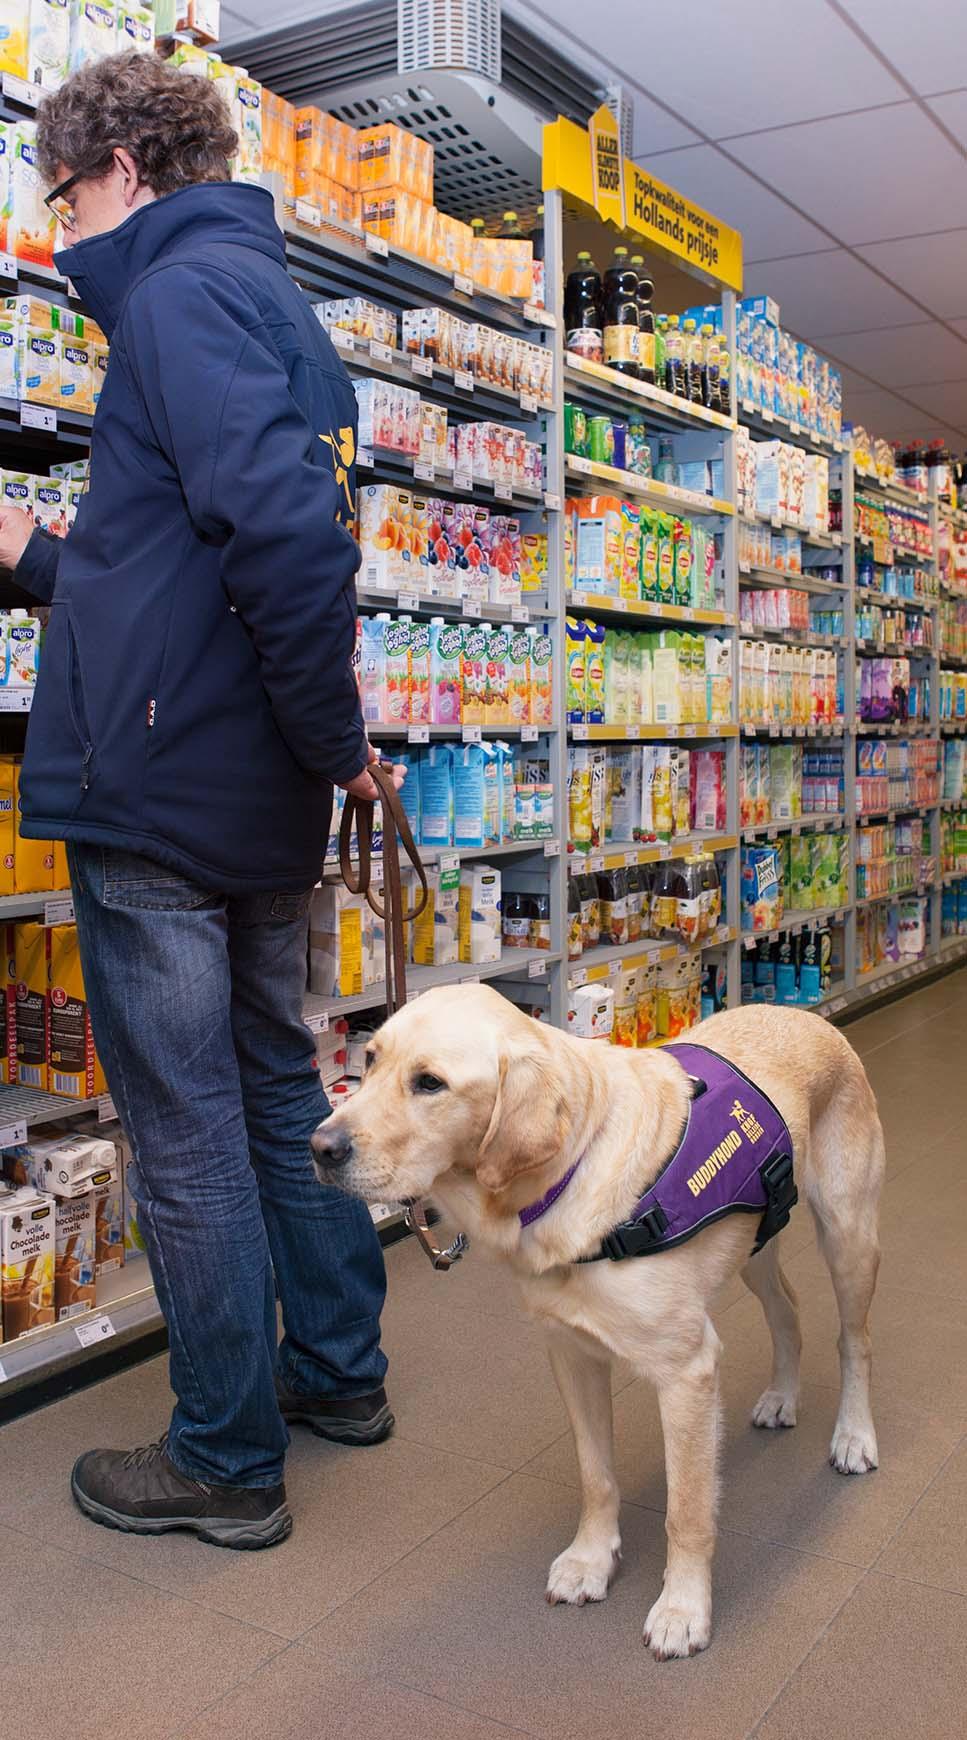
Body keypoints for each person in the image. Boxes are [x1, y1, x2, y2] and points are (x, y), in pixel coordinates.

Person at [0, 51, 400, 1551]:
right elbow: (182, 571)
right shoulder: (274, 306)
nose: (58, 230)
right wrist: (42, 554)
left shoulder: (174, 298)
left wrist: (328, 731)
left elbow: (289, 547)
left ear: (125, 171)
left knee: (185, 1134)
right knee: (278, 1091)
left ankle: (228, 1454)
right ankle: (339, 1375)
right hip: (247, 796)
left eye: (62, 194)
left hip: (170, 804)